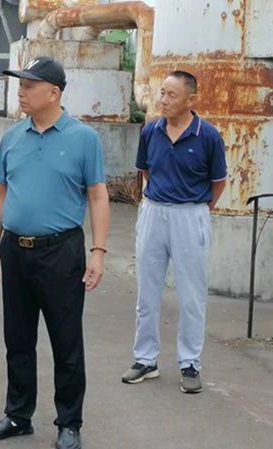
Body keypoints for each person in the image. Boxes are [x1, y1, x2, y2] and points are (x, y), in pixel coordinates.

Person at [0, 57, 110, 449]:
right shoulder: (12, 137)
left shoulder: (83, 138)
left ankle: (69, 422)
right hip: (15, 250)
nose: (20, 92)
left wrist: (98, 251)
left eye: (28, 86)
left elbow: (97, 196)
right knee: (18, 339)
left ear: (53, 92)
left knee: (66, 341)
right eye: (20, 85)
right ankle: (18, 415)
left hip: (61, 253)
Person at [121, 70, 227, 394]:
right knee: (147, 292)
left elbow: (218, 181)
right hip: (154, 211)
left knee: (192, 295)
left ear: (190, 100)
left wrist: (198, 210)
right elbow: (146, 171)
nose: (163, 100)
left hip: (190, 214)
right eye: (162, 93)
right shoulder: (151, 131)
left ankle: (190, 363)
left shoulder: (208, 136)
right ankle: (145, 359)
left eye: (171, 95)